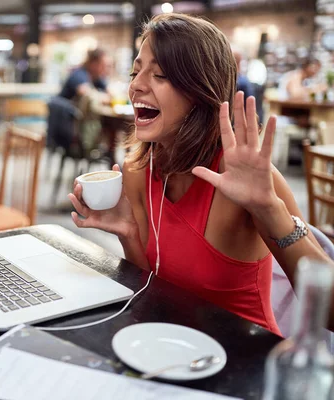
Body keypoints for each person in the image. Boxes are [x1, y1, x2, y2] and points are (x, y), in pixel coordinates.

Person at [68, 13, 329, 335]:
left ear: (200, 91)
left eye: (160, 74)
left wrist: (268, 209)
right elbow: (155, 293)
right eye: (135, 71)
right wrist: (129, 233)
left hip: (245, 362)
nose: (135, 85)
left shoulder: (246, 179)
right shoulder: (140, 169)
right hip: (169, 346)